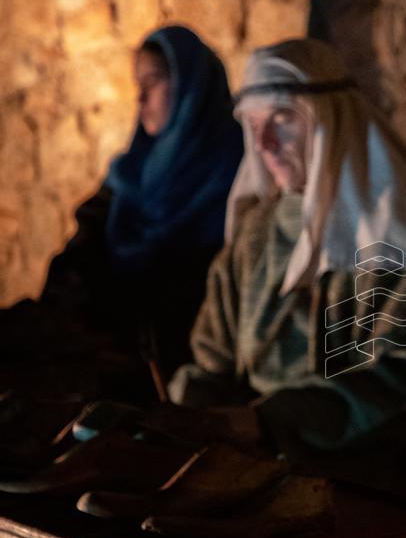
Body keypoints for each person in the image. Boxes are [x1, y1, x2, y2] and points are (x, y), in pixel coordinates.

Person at [153, 38, 406, 512]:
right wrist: (190, 409)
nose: (264, 145)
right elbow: (214, 355)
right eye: (253, 126)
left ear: (328, 121)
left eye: (282, 121)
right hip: (252, 459)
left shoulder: (404, 235)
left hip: (362, 476)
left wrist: (265, 424)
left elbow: (398, 384)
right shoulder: (257, 236)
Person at [0, 25, 243, 399]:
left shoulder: (235, 176)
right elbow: (84, 250)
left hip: (183, 374)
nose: (141, 97)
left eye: (154, 81)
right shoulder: (131, 173)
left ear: (190, 87)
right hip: (105, 358)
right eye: (137, 84)